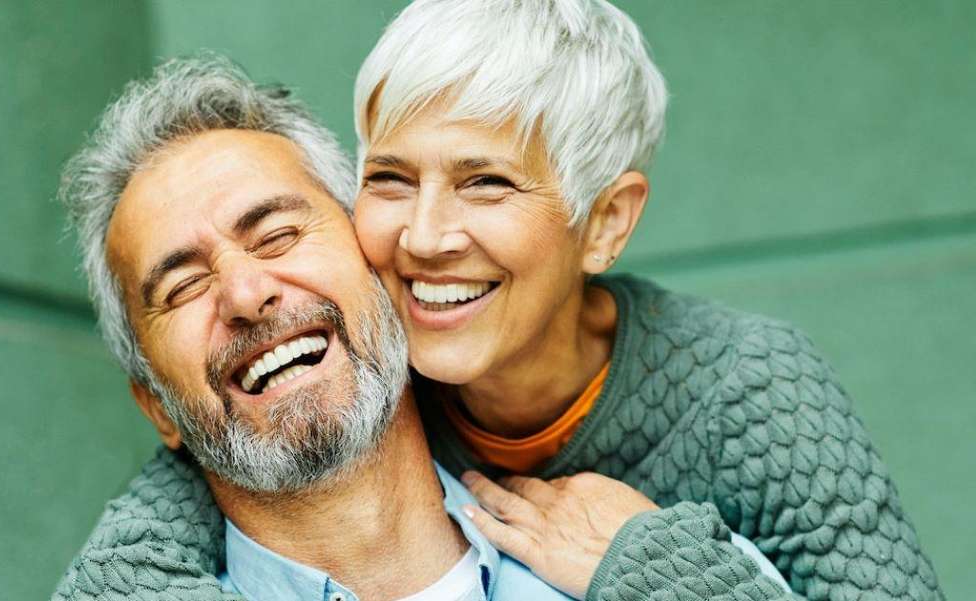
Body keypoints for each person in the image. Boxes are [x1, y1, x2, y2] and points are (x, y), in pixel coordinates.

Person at [50, 56, 780, 601]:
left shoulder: (670, 573)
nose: (245, 292)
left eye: (276, 235)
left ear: (380, 264)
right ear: (155, 406)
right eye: (182, 285)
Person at [349, 1, 939, 598]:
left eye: (487, 183)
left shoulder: (751, 391)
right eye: (389, 179)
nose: (423, 236)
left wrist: (653, 569)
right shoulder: (353, 388)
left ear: (606, 222)